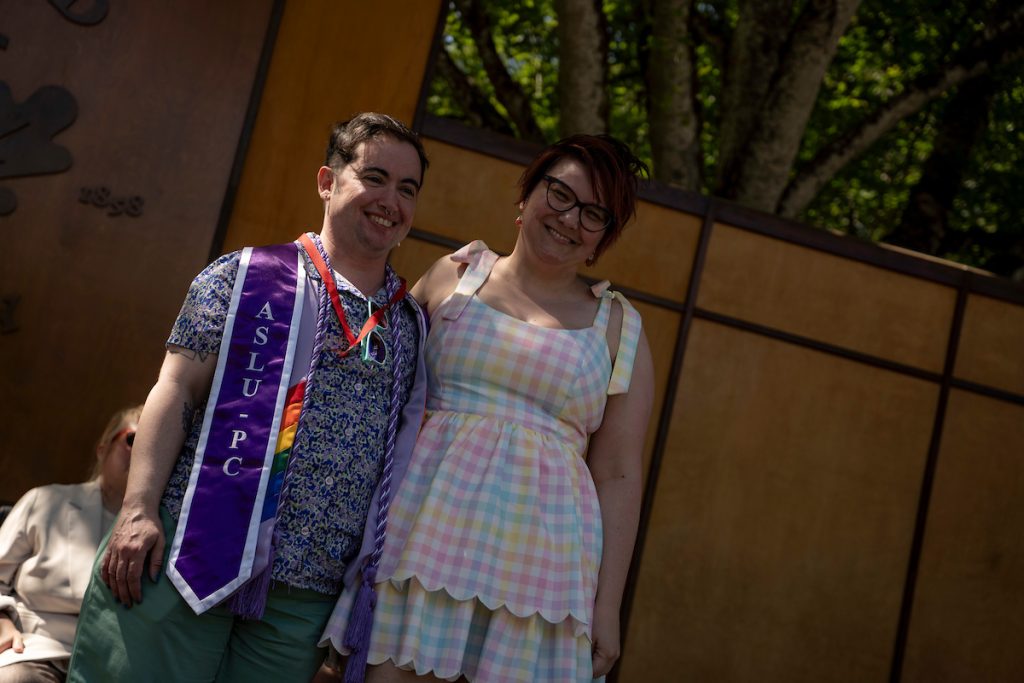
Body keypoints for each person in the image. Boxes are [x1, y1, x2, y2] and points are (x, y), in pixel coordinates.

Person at [67, 113, 431, 682]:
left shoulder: (410, 324)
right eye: (375, 177)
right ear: (327, 181)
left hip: (304, 598)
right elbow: (175, 389)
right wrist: (137, 509)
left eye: (407, 189)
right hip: (189, 556)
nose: (391, 200)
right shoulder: (245, 275)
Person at [324, 133, 655, 682]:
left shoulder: (620, 328)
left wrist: (607, 606)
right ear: (527, 195)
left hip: (544, 566)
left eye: (594, 214)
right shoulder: (454, 276)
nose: (570, 219)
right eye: (561, 194)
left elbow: (619, 472)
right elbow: (378, 395)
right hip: (422, 534)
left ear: (604, 237)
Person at [1, 404, 142, 682]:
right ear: (103, 449)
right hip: (35, 648)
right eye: (133, 439)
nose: (142, 451)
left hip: (110, 667)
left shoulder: (165, 535)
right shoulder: (45, 501)